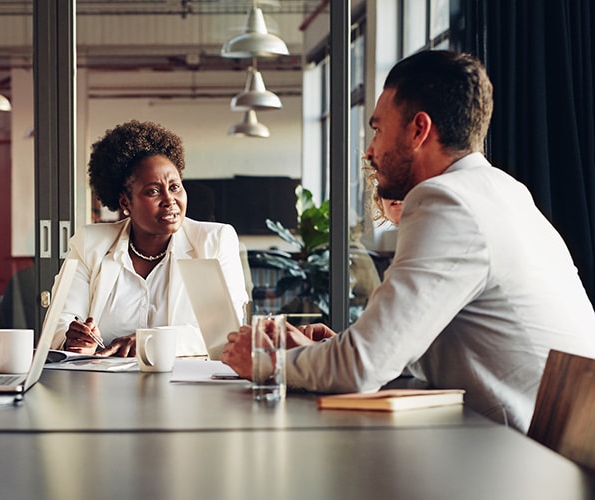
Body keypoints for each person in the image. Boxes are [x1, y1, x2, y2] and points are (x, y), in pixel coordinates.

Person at [221, 50, 595, 432]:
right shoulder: (503, 192)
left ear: (419, 130)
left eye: (378, 129)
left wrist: (268, 363)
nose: (370, 149)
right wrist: (322, 352)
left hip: (519, 463)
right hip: (546, 448)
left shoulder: (448, 200)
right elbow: (398, 352)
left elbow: (362, 367)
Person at [50, 120, 249, 357]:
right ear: (125, 202)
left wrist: (148, 341)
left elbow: (227, 333)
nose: (169, 200)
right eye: (153, 191)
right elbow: (58, 323)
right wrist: (75, 339)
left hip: (185, 386)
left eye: (175, 187)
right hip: (103, 384)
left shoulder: (214, 241)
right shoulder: (90, 243)